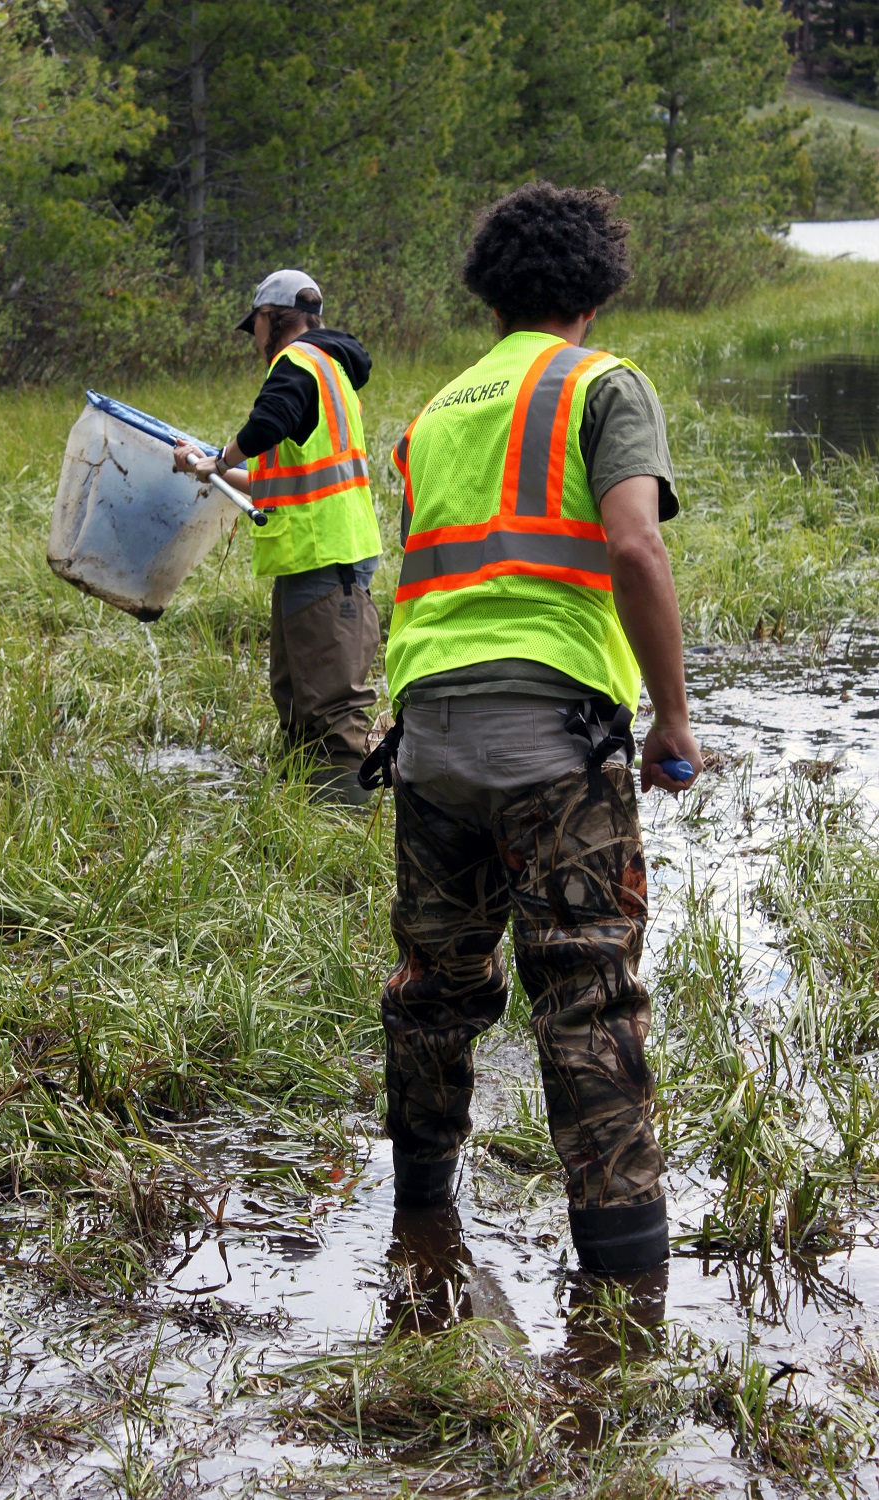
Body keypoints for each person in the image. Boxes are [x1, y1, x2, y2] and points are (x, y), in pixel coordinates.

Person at [368, 182, 703, 1276]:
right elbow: (635, 548)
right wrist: (672, 714)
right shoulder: (602, 385)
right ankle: (624, 1279)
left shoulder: (433, 414)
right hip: (552, 739)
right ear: (598, 292)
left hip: (426, 738)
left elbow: (427, 585)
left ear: (488, 292)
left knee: (435, 986)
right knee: (585, 991)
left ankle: (420, 1219)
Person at [174, 269, 382, 805]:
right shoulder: (329, 370)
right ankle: (299, 811)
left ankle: (339, 832)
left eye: (257, 325)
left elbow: (266, 424)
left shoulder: (298, 362)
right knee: (295, 698)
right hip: (314, 556)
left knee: (331, 709)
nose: (255, 339)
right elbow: (278, 475)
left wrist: (220, 456)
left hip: (325, 557)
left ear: (274, 319)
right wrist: (208, 469)